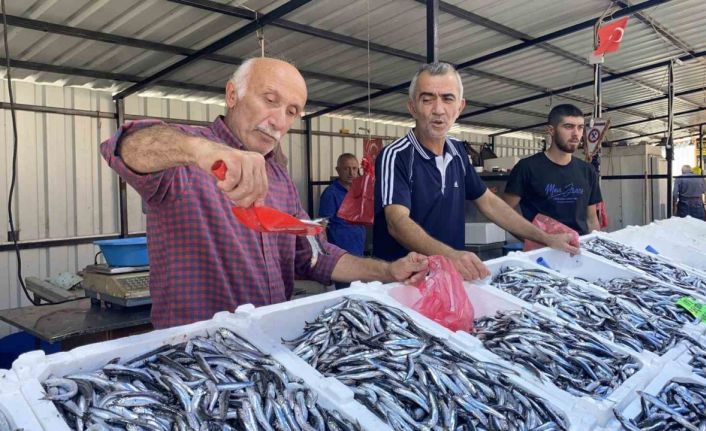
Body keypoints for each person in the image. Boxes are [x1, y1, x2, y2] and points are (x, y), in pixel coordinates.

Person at [100, 57, 428, 329]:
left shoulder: (280, 179)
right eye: (270, 101)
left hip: (268, 344)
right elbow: (124, 147)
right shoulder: (186, 159)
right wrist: (201, 151)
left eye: (291, 111)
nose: (278, 121)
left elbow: (313, 255)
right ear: (232, 95)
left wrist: (387, 270)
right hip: (197, 354)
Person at [373, 62, 578, 281]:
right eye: (427, 99)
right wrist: (451, 255)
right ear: (412, 107)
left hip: (448, 279)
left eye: (447, 98)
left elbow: (489, 202)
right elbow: (397, 223)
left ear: (460, 107)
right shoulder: (396, 155)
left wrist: (546, 238)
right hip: (405, 284)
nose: (438, 109)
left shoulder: (458, 151)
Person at [503, 104, 602, 236]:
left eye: (580, 127)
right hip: (543, 250)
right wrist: (532, 238)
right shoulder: (527, 168)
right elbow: (504, 212)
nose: (576, 133)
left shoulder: (587, 171)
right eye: (568, 127)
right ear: (551, 130)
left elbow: (592, 219)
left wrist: (595, 246)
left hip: (579, 248)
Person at [319, 153, 367, 289]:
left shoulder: (359, 192)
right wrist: (325, 255)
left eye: (354, 168)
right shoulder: (330, 194)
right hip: (340, 255)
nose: (351, 172)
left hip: (358, 250)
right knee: (345, 292)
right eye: (346, 169)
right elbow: (322, 226)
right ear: (338, 170)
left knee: (357, 290)